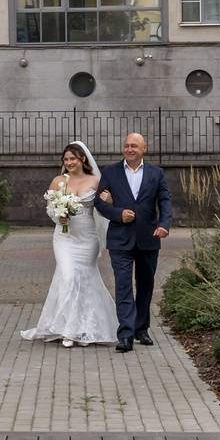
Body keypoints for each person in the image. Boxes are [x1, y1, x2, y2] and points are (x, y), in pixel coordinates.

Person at [21, 142, 119, 348]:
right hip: (64, 238)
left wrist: (109, 200)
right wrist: (59, 217)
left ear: (82, 159)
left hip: (87, 238)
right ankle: (68, 329)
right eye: (66, 160)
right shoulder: (58, 181)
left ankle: (83, 327)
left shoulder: (95, 181)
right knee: (67, 276)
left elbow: (103, 210)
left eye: (72, 159)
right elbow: (50, 209)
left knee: (84, 279)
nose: (69, 163)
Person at [94, 130, 171, 352]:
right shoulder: (111, 172)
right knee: (124, 286)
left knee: (146, 286)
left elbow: (165, 200)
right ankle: (125, 334)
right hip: (120, 239)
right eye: (127, 145)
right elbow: (99, 203)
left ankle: (141, 328)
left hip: (149, 238)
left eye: (134, 146)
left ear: (143, 149)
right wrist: (118, 214)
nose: (129, 149)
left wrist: (164, 224)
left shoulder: (156, 173)